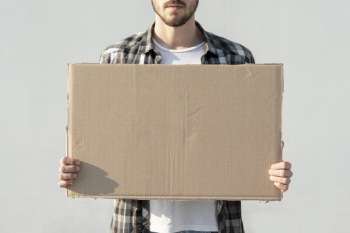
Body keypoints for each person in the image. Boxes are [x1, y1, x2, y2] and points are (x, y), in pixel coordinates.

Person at [58, 1, 293, 233]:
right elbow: (104, 142)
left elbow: (250, 145)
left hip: (217, 226)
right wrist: (79, 169)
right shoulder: (117, 58)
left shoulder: (236, 58)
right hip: (137, 225)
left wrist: (271, 170)